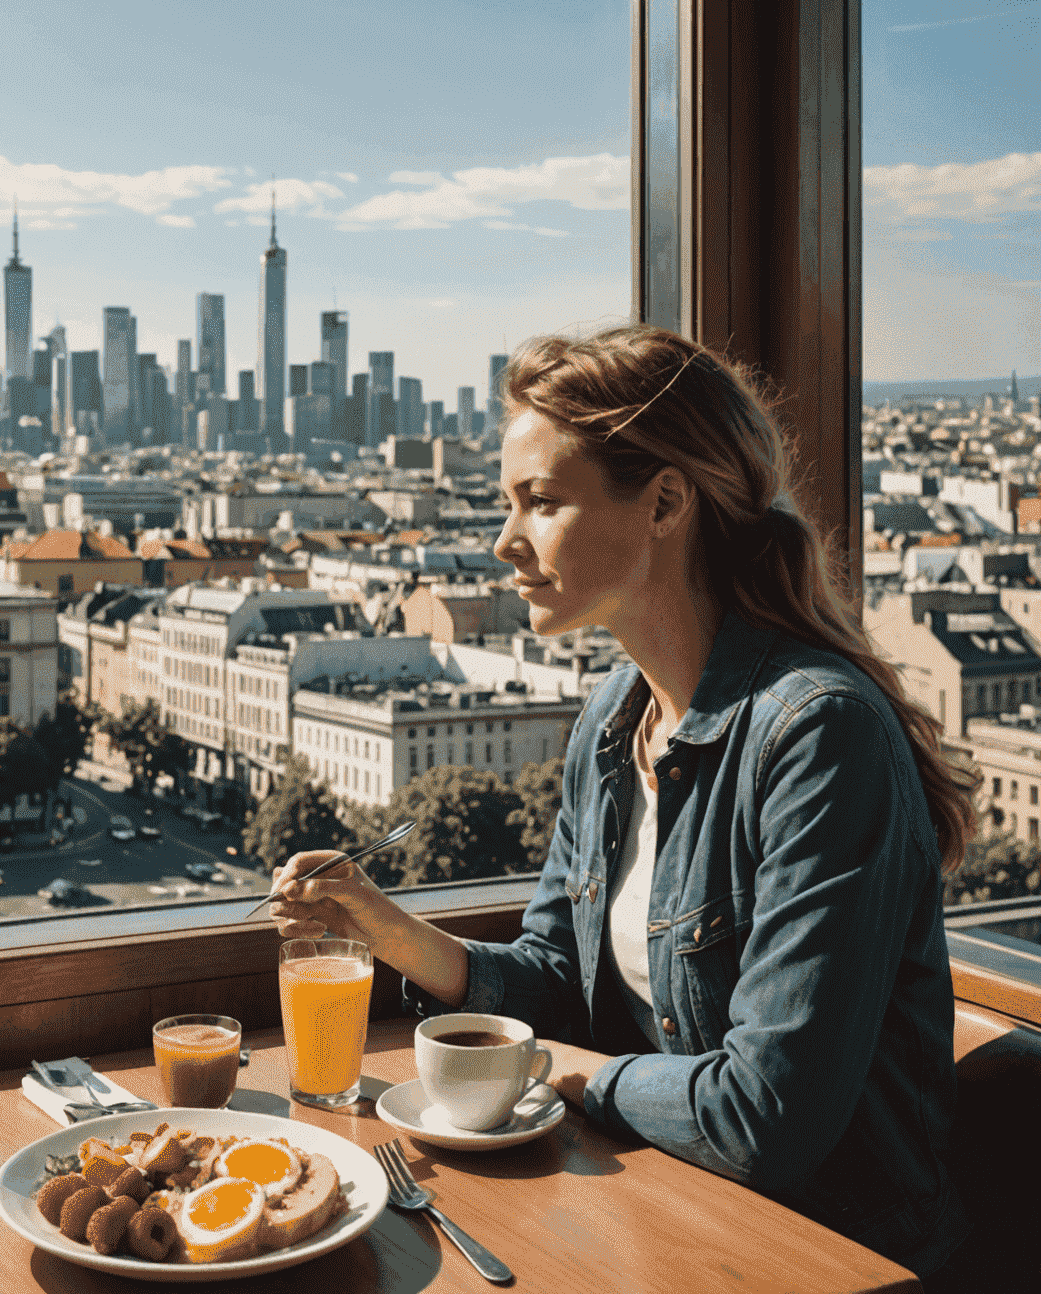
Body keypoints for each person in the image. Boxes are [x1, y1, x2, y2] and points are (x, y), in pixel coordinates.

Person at [268, 325, 976, 1282]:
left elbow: (766, 1117)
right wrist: (387, 928)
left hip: (826, 1250)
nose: (503, 542)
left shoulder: (818, 735)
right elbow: (560, 979)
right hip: (667, 1206)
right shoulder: (616, 715)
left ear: (666, 503)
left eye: (542, 503)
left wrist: (581, 1076)